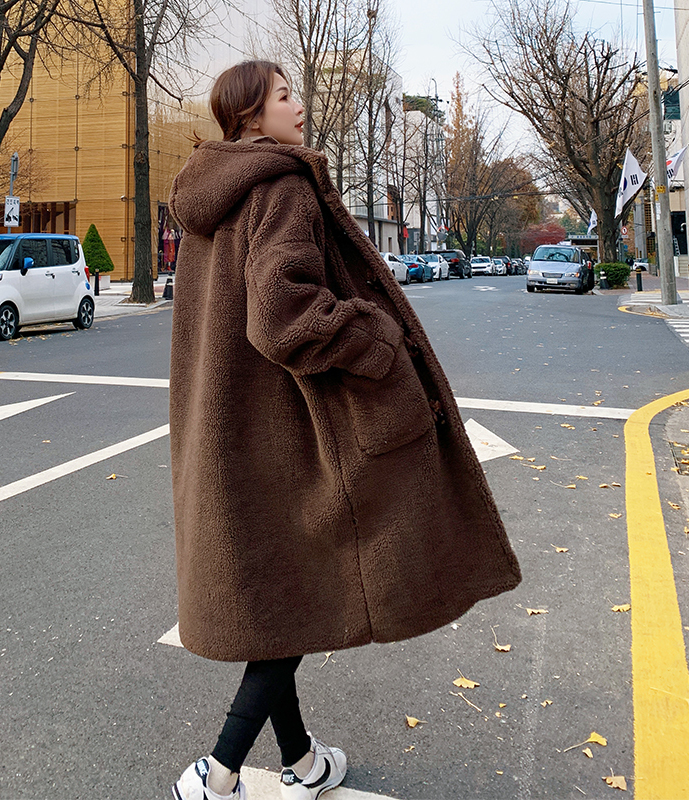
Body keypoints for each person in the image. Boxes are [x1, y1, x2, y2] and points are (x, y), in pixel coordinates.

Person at [168, 60, 522, 800]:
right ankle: (216, 773)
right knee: (309, 583)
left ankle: (300, 763)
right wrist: (376, 337)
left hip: (231, 429)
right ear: (251, 116)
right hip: (291, 429)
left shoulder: (212, 195)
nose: (298, 105)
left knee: (283, 597)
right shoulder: (281, 186)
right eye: (284, 96)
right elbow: (282, 315)